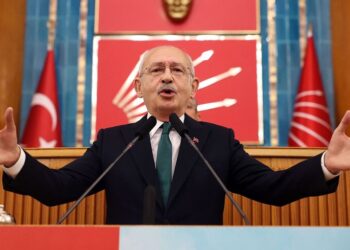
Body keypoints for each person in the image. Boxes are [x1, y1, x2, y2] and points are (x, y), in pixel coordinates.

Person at [1, 45, 350, 225]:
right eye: (156, 70)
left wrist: (326, 165)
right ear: (138, 87)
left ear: (193, 87)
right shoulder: (114, 141)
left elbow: (273, 189)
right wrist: (16, 160)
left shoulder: (219, 141)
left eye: (177, 70)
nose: (167, 77)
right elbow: (60, 189)